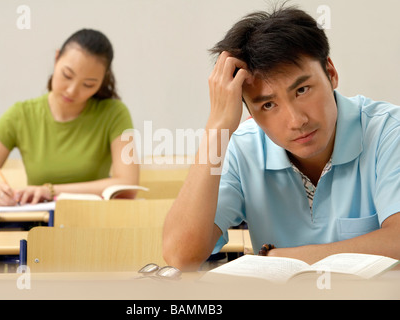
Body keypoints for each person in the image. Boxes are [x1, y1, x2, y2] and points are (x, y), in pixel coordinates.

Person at [163, 5, 400, 271]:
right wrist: (217, 127)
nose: (296, 121)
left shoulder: (388, 132)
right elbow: (181, 255)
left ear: (331, 73)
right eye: (267, 105)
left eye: (302, 90)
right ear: (249, 111)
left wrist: (281, 258)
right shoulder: (244, 148)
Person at [0, 29, 139, 206]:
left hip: (92, 225)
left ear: (102, 80)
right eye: (67, 75)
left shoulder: (116, 113)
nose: (72, 90)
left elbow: (128, 185)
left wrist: (50, 191)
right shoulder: (20, 115)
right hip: (37, 227)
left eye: (88, 84)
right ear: (56, 58)